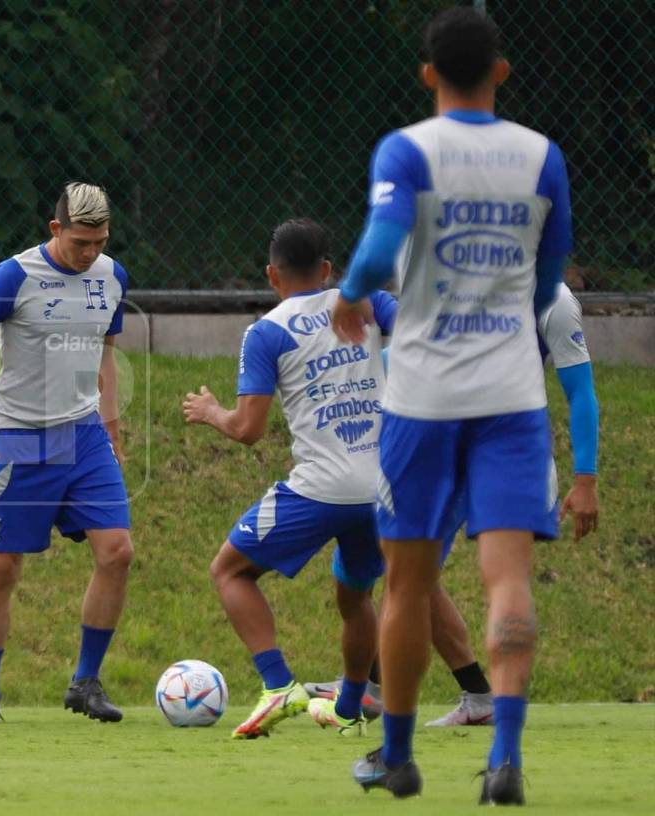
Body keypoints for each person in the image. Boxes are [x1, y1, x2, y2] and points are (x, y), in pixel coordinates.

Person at [330, 8, 572, 803]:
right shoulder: (542, 158)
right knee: (507, 580)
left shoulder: (409, 149)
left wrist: (351, 294)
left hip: (424, 396)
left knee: (406, 584)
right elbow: (546, 280)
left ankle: (396, 758)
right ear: (500, 72)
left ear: (428, 74)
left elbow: (372, 252)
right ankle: (505, 756)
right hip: (510, 397)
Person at [306, 283, 601, 728]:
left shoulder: (553, 300)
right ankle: (471, 696)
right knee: (409, 572)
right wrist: (351, 374)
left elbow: (580, 391)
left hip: (502, 459)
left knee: (428, 575)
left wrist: (586, 481)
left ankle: (373, 691)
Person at [182, 219, 394, 739]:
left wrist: (211, 412)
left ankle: (278, 685)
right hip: (383, 489)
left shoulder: (267, 332)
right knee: (357, 597)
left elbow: (249, 430)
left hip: (319, 488)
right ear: (326, 269)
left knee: (230, 571)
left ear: (271, 274)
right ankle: (348, 706)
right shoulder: (369, 305)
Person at [0, 182, 132, 725]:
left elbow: (105, 358)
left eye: (99, 241)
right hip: (19, 438)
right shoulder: (15, 276)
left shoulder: (112, 278)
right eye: (79, 242)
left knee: (117, 552)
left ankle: (86, 683)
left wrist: (112, 431)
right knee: (3, 569)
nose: (90, 252)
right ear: (55, 230)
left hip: (85, 437)